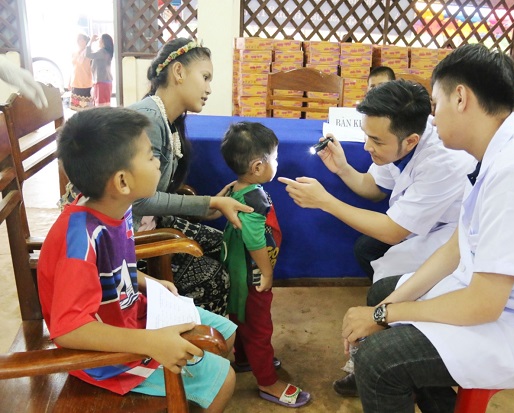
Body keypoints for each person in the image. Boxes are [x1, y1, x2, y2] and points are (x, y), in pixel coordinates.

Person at [341, 43, 514, 413]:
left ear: (460, 98)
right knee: (387, 291)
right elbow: (455, 248)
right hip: (511, 300)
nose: (432, 120)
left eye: (435, 106)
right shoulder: (501, 151)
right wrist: (387, 306)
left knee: (379, 362)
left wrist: (382, 316)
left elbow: (483, 305)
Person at [37, 107, 237, 412]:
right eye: (149, 156)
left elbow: (112, 270)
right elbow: (69, 330)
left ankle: (190, 392)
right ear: (122, 182)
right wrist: (151, 343)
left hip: (135, 315)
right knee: (224, 379)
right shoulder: (80, 239)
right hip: (110, 359)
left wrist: (148, 281)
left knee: (226, 333)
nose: (158, 161)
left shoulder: (116, 208)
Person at [279, 80, 474, 283]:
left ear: (411, 141)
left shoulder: (443, 161)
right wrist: (343, 169)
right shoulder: (399, 137)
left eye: (377, 141)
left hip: (451, 235)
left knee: (383, 289)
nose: (367, 147)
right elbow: (374, 188)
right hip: (418, 226)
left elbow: (393, 232)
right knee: (366, 249)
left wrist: (325, 202)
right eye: (367, 136)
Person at [129, 37, 253, 316]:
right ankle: (194, 348)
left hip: (148, 223)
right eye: (205, 77)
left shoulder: (165, 120)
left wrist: (207, 208)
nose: (209, 88)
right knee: (215, 277)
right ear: (179, 72)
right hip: (127, 239)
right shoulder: (148, 119)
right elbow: (139, 202)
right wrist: (209, 203)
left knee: (223, 244)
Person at [219, 122, 311, 408]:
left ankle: (245, 359)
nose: (277, 162)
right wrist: (267, 271)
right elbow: (253, 238)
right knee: (259, 327)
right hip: (251, 274)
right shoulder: (255, 199)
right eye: (275, 158)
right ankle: (268, 382)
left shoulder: (237, 188)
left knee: (242, 318)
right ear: (258, 166)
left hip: (235, 269)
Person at [86, 33, 114, 106]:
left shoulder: (102, 52)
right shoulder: (107, 52)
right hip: (107, 81)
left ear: (103, 42)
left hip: (101, 82)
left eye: (100, 39)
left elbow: (88, 54)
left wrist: (91, 41)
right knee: (106, 104)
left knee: (100, 105)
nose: (98, 41)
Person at [69, 33, 93, 111]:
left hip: (86, 83)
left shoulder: (89, 53)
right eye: (78, 40)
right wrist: (69, 82)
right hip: (75, 83)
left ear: (86, 41)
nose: (79, 42)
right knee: (76, 108)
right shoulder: (74, 53)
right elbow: (72, 68)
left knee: (87, 109)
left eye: (81, 40)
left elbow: (94, 67)